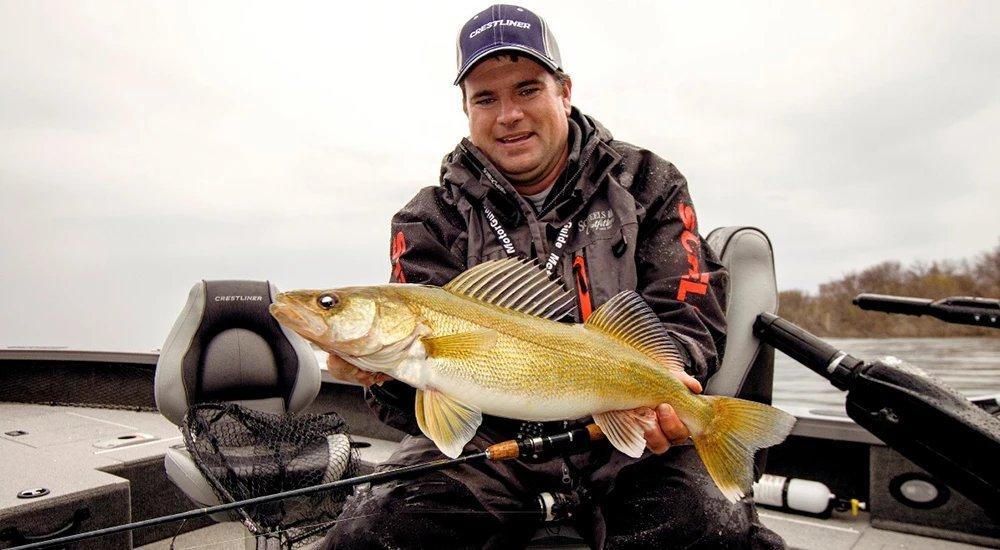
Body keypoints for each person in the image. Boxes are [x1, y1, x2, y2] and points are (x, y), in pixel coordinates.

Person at [322, 4, 783, 549]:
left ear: (564, 91)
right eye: (485, 98)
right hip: (489, 447)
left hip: (627, 440)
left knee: (709, 528)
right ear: (465, 109)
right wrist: (381, 376)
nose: (508, 114)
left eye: (526, 89)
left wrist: (669, 385)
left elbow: (686, 308)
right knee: (375, 532)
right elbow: (423, 406)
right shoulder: (428, 218)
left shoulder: (648, 184)